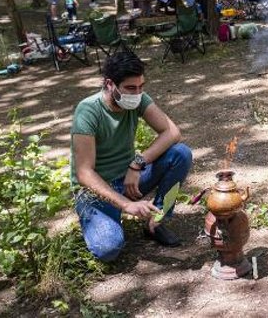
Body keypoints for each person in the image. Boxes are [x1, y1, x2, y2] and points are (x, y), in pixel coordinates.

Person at [71, 52, 193, 262]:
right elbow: (84, 173)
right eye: (130, 88)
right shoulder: (88, 111)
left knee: (180, 153)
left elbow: (172, 132)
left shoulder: (138, 100)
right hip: (95, 191)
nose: (137, 93)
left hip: (129, 181)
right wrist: (126, 205)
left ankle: (156, 221)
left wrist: (137, 164)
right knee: (108, 249)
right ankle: (105, 216)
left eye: (141, 86)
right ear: (110, 84)